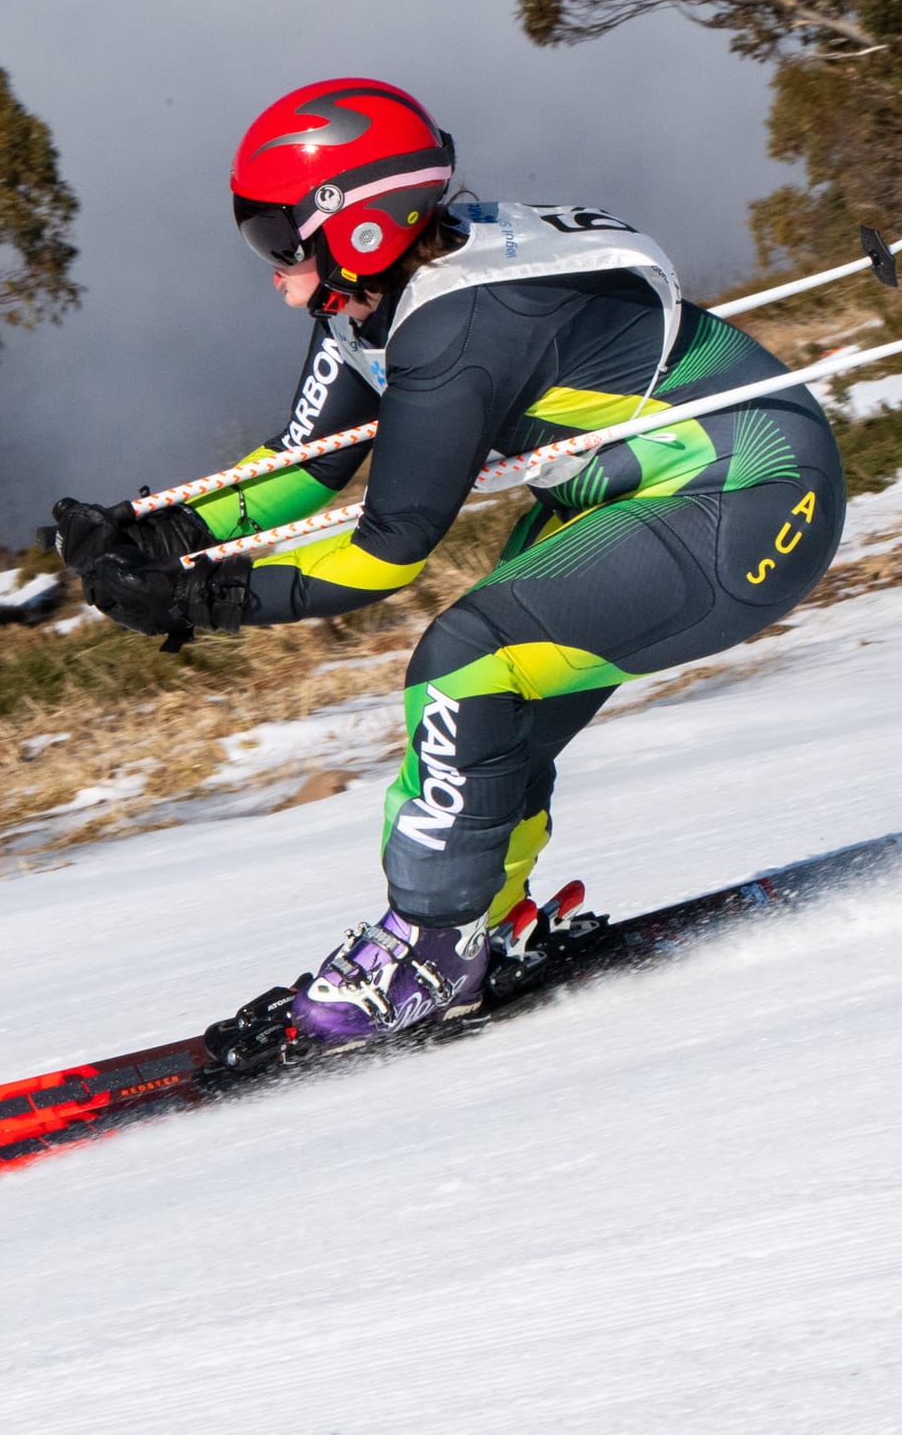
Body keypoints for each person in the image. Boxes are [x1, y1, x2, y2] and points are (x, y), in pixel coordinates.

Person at [51, 77, 844, 1044]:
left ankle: (431, 949)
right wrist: (155, 528)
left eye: (275, 241)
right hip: (638, 491)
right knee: (490, 716)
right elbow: (306, 468)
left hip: (749, 499)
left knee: (464, 660)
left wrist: (199, 600)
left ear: (364, 229)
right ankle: (477, 927)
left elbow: (388, 552)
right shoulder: (367, 304)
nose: (269, 271)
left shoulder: (454, 330)